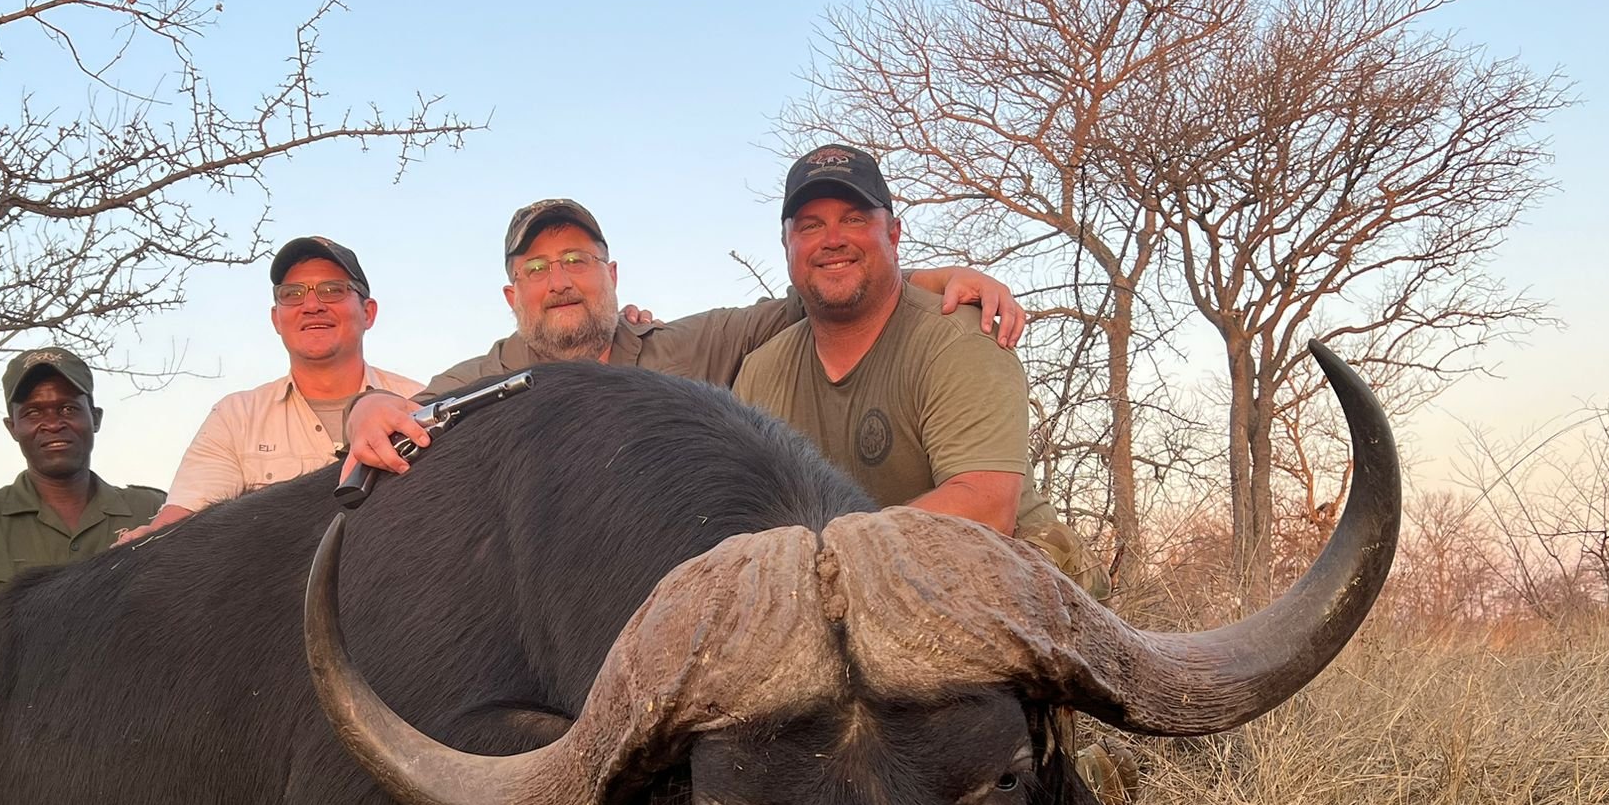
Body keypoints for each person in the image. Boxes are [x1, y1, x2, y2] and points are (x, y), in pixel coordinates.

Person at [342, 197, 1026, 478]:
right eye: (539, 268)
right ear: (511, 294)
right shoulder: (483, 378)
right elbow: (404, 416)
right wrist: (364, 409)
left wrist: (935, 278)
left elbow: (807, 301)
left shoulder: (686, 349)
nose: (561, 281)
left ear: (610, 275)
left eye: (578, 260)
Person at [733, 143, 1101, 593]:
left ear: (893, 234)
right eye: (811, 225)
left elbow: (986, 507)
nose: (833, 239)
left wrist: (829, 564)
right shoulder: (758, 372)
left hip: (1004, 557)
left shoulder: (958, 338)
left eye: (854, 219)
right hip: (840, 580)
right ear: (788, 244)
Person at [120, 236, 420, 541]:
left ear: (368, 312)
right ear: (276, 319)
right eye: (292, 294)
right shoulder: (236, 416)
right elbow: (182, 520)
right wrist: (148, 539)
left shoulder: (420, 403)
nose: (312, 305)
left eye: (332, 290)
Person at [0, 347, 164, 634]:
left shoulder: (155, 512)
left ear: (95, 418)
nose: (53, 424)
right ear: (12, 427)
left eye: (68, 408)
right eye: (33, 412)